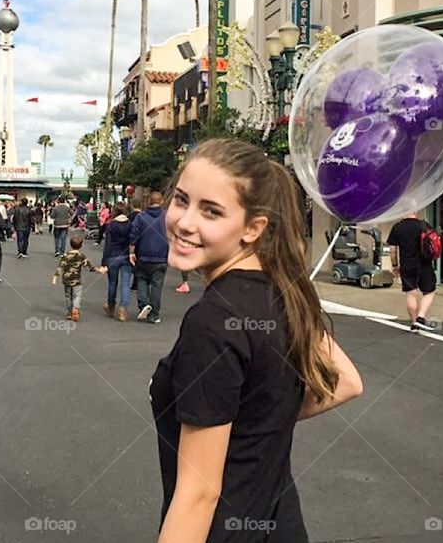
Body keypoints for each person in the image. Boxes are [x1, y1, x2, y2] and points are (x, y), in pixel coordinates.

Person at [150, 139, 363, 542]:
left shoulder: (213, 322)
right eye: (181, 200)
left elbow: (199, 492)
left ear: (253, 228)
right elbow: (346, 382)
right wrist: (253, 423)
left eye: (211, 211)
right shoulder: (283, 291)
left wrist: (239, 424)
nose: (184, 222)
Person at [387, 212, 438, 332]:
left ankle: (415, 324)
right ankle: (421, 317)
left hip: (407, 265)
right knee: (429, 291)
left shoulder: (397, 227)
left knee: (411, 294)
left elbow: (393, 250)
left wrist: (395, 265)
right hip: (424, 264)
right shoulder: (424, 225)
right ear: (415, 212)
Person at [129, 191, 169, 324]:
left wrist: (131, 252)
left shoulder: (141, 217)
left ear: (148, 202)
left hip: (143, 255)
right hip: (161, 257)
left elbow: (133, 235)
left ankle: (144, 304)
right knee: (157, 286)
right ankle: (154, 315)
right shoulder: (166, 217)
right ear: (162, 201)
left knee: (141, 280)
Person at [52, 235, 106, 321]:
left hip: (66, 280)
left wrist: (55, 277)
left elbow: (60, 267)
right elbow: (90, 267)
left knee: (68, 296)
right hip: (77, 280)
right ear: (81, 245)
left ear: (70, 245)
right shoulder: (82, 256)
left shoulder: (65, 256)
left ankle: (69, 313)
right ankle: (75, 308)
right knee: (77, 295)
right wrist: (99, 270)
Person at [101, 202, 133, 321]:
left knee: (112, 283)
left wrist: (104, 262)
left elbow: (107, 245)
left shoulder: (111, 225)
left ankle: (111, 306)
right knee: (125, 284)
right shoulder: (130, 224)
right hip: (125, 256)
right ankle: (123, 309)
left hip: (113, 255)